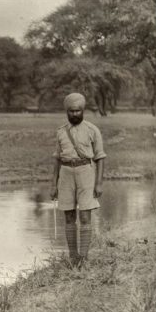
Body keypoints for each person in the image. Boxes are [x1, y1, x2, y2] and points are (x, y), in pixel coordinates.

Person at [51, 93, 106, 267]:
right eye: (71, 111)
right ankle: (73, 257)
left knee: (85, 215)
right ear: (67, 111)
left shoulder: (92, 130)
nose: (75, 114)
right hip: (66, 173)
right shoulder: (60, 131)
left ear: (83, 111)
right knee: (68, 215)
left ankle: (84, 257)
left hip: (86, 172)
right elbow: (57, 159)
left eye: (78, 111)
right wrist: (53, 184)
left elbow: (100, 157)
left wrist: (98, 183)